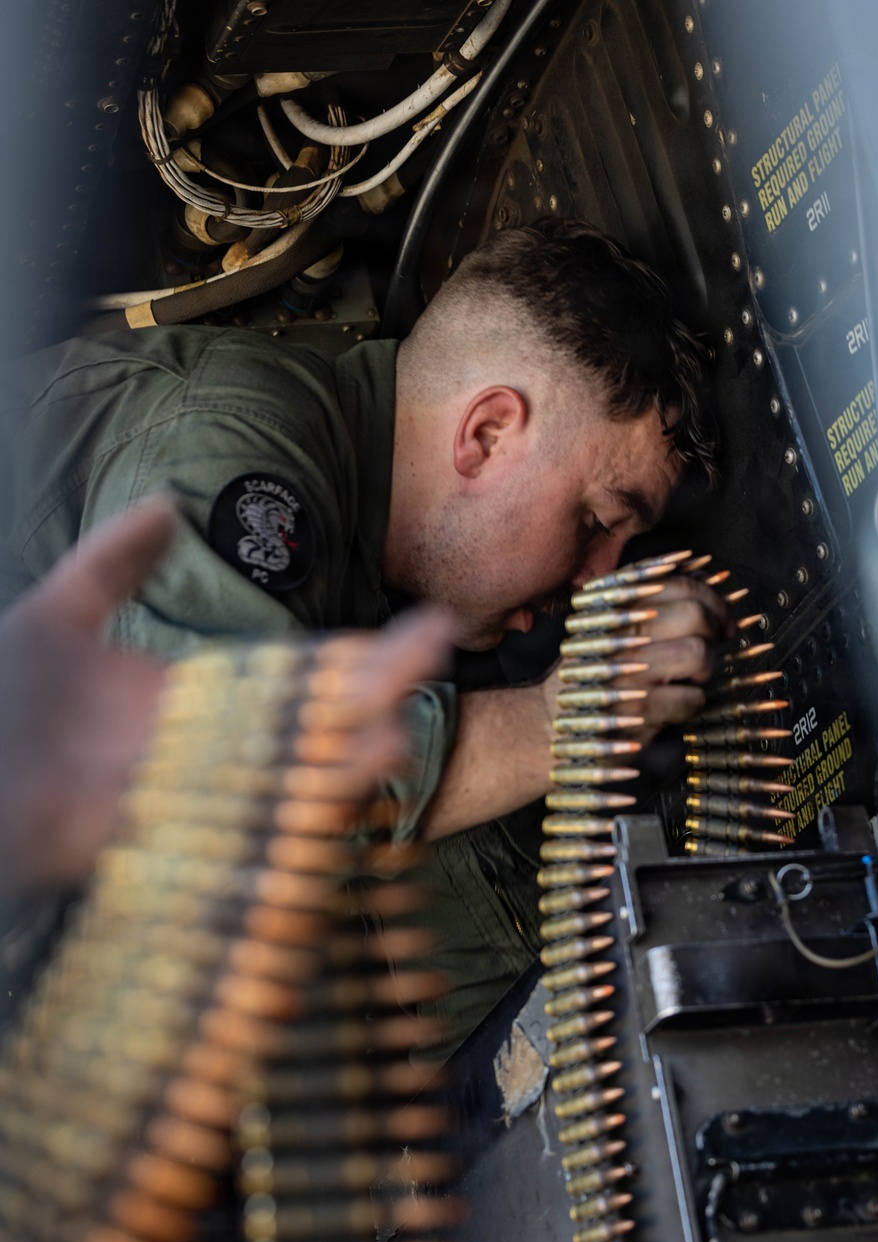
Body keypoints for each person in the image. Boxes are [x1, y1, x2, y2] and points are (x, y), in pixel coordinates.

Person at [0, 218, 729, 1045]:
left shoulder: (384, 594)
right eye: (595, 520)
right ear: (487, 433)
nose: (598, 579)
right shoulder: (239, 435)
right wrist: (574, 715)